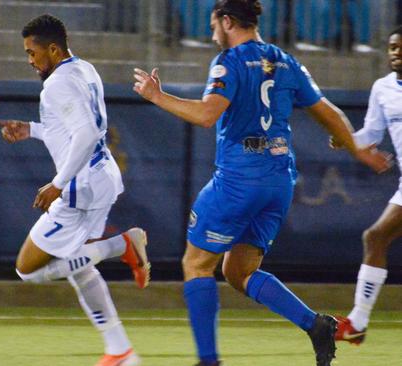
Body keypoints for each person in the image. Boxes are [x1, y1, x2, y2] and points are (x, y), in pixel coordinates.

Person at [131, 1, 392, 365]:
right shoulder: (286, 61)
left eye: (213, 26)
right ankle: (316, 325)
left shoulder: (230, 61)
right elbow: (329, 113)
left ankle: (208, 361)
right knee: (238, 271)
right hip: (280, 180)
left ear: (227, 21)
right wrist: (359, 151)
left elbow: (207, 115)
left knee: (195, 264)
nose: (211, 35)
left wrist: (157, 96)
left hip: (239, 179)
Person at [0, 14, 150, 366]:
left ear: (53, 49)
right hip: (100, 176)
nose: (30, 61)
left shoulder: (57, 84)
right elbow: (75, 128)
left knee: (27, 269)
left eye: (33, 53)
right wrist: (30, 129)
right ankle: (119, 350)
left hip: (82, 186)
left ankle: (121, 244)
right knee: (78, 267)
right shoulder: (84, 69)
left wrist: (58, 184)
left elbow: (87, 133)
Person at [333, 25, 402, 345]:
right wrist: (346, 139)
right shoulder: (383, 88)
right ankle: (357, 323)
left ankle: (358, 322)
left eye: (400, 47)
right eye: (391, 47)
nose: (395, 53)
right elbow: (371, 135)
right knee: (375, 237)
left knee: (375, 237)